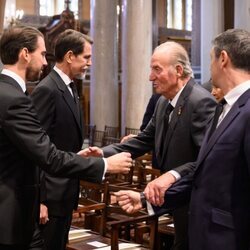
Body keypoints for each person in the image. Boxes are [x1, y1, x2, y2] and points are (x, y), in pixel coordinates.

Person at [115, 29, 250, 250]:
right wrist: (145, 199)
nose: (209, 67)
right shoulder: (223, 109)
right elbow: (203, 176)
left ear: (223, 59)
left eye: (210, 59)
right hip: (203, 233)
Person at [0, 26, 132, 250]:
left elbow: (30, 148)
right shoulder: (14, 98)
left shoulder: (11, 93)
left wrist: (75, 156)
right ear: (25, 53)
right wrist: (103, 164)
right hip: (13, 211)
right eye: (42, 54)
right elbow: (46, 155)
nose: (45, 62)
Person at [83, 41, 217, 250]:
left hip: (192, 201)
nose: (150, 77)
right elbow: (143, 140)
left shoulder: (201, 102)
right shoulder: (163, 101)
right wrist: (102, 153)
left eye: (157, 69)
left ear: (178, 70)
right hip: (169, 196)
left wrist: (171, 178)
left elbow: (205, 160)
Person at [30, 29, 92, 250]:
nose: (89, 63)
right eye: (86, 57)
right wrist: (41, 200)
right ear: (69, 56)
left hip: (65, 192)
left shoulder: (70, 87)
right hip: (51, 197)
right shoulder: (47, 89)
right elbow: (36, 149)